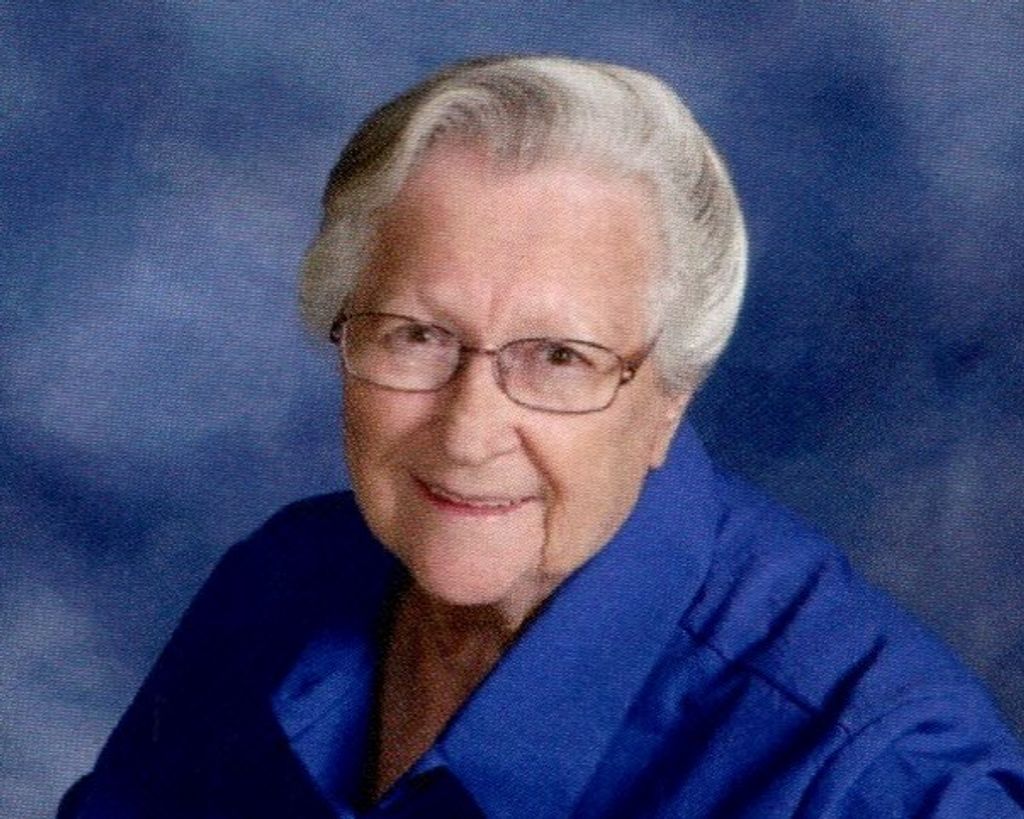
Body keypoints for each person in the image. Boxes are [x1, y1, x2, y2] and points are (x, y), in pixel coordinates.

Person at [59, 55, 1024, 818]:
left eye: (559, 357)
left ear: (670, 394)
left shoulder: (873, 776)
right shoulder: (276, 586)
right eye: (417, 335)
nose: (469, 431)